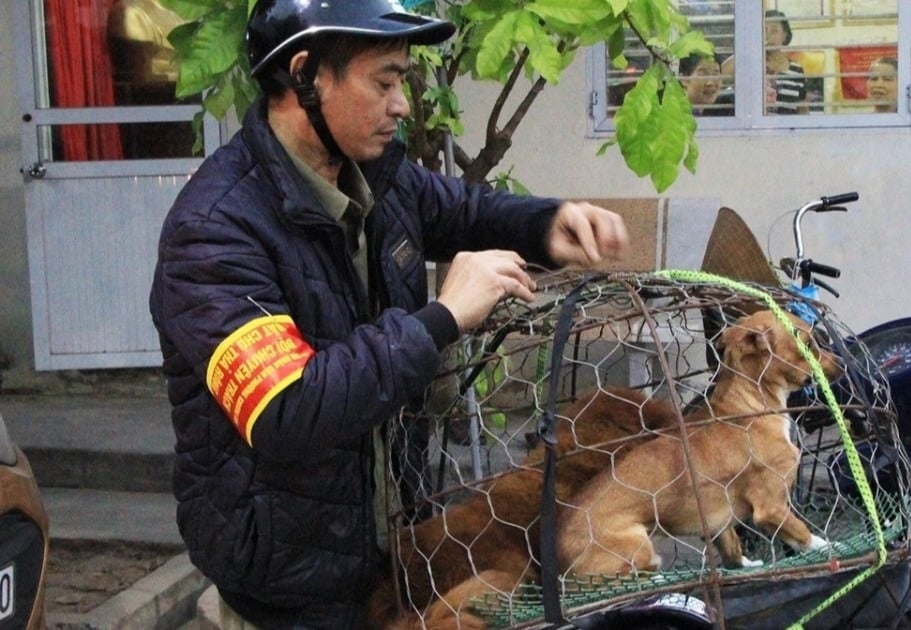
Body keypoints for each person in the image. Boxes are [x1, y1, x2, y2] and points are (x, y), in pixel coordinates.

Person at [147, 1, 629, 626]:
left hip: (390, 554)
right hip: (287, 587)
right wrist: (444, 316)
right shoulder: (214, 233)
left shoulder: (379, 177)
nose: (401, 103)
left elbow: (465, 211)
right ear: (304, 76)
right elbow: (288, 410)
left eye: (402, 80)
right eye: (385, 81)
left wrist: (547, 224)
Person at [721, 9, 807, 115]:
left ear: (784, 36)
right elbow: (721, 77)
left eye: (774, 31)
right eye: (763, 30)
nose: (767, 36)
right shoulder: (751, 64)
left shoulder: (797, 70)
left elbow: (802, 109)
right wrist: (750, 48)